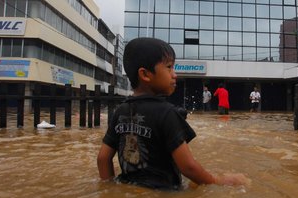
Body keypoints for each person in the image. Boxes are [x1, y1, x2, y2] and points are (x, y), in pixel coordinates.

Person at [97, 37, 248, 189]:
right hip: (163, 196)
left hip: (128, 191)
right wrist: (218, 181)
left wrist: (109, 188)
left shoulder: (120, 111)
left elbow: (103, 159)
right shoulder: (167, 113)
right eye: (169, 67)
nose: (174, 74)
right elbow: (188, 167)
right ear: (145, 75)